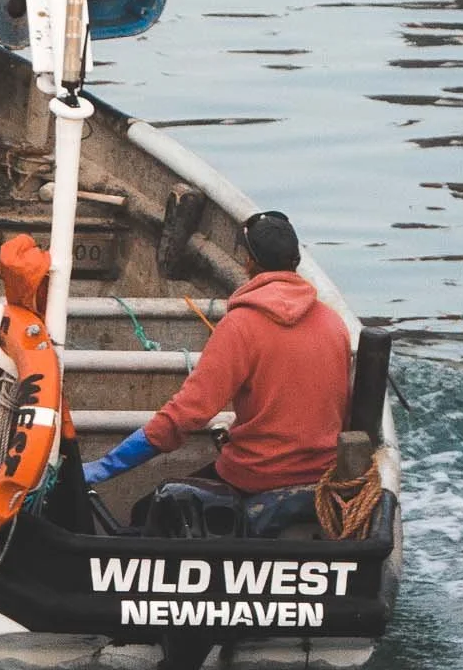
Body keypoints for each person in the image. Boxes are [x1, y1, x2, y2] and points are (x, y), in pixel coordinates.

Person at [83, 211, 350, 501]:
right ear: (295, 261)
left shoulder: (240, 326)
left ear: (248, 262)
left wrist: (108, 465)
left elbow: (187, 413)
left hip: (257, 476)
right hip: (323, 476)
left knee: (148, 510)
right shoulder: (333, 323)